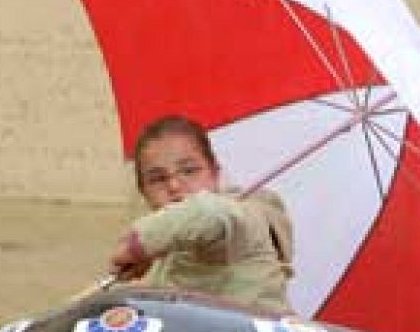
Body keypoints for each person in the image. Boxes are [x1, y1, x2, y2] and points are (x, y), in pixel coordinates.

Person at [108, 115, 294, 312]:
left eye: (189, 171)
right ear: (144, 192)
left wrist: (137, 245)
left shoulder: (244, 217)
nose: (174, 185)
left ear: (214, 173)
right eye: (157, 179)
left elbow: (208, 213)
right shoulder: (164, 251)